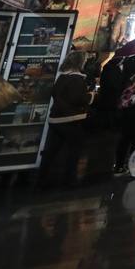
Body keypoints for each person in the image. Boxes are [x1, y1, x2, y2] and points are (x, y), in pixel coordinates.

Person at [39, 51, 90, 188]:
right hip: (71, 119)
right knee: (74, 151)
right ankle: (70, 180)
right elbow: (77, 98)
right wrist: (88, 98)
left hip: (56, 118)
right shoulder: (77, 79)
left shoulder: (62, 78)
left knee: (52, 150)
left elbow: (55, 94)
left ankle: (42, 178)